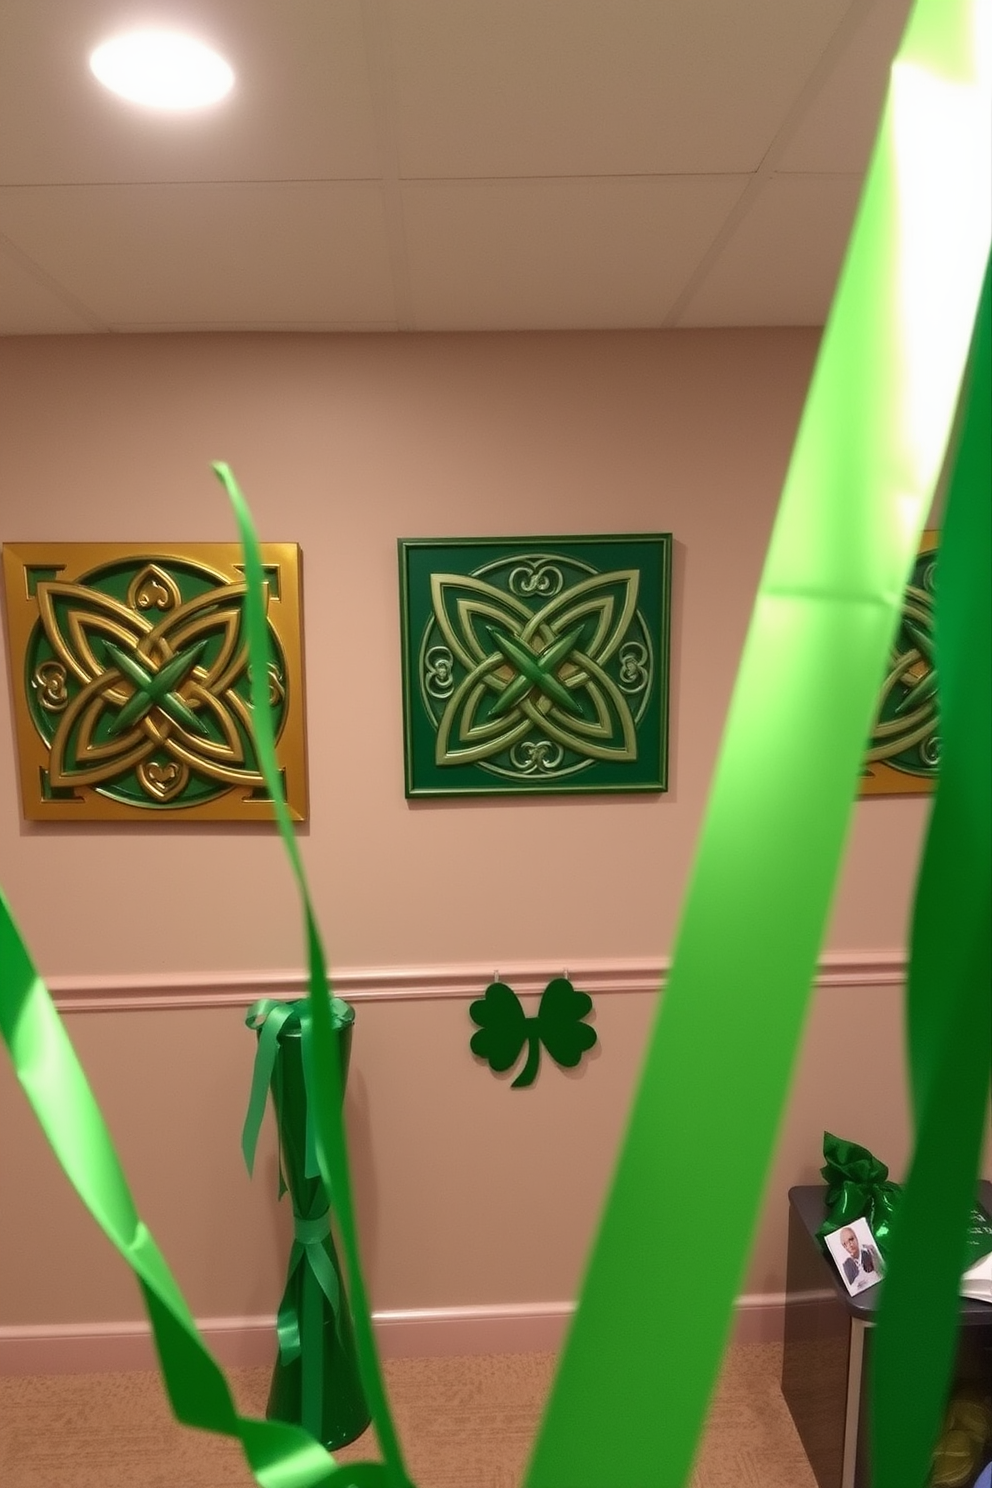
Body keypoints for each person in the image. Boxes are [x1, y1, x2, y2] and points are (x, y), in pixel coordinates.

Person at [838, 1226, 883, 1291]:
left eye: (851, 1239)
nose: (850, 1245)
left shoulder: (869, 1253)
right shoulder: (846, 1265)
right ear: (844, 1247)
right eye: (845, 1244)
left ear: (856, 1238)